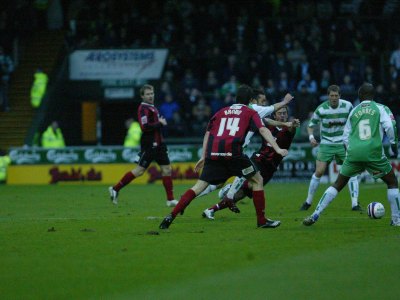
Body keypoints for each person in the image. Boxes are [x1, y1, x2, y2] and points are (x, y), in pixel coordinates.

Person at [159, 85, 289, 230]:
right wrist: (277, 148)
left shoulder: (221, 112)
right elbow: (263, 129)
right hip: (235, 155)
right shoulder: (250, 112)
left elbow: (208, 133)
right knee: (258, 180)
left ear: (236, 98)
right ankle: (262, 220)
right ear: (251, 100)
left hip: (214, 155)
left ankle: (171, 215)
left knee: (199, 187)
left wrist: (204, 156)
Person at [303, 83, 400, 226]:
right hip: (373, 152)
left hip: (353, 152)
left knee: (337, 184)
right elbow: (390, 126)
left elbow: (345, 136)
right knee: (392, 182)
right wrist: (393, 144)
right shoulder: (381, 108)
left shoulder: (354, 111)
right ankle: (396, 220)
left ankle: (315, 213)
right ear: (373, 96)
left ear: (360, 96)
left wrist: (351, 152)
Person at [202, 106, 300, 219]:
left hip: (271, 167)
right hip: (259, 159)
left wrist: (292, 124)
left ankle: (211, 209)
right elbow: (264, 119)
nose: (282, 115)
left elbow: (292, 128)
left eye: (284, 113)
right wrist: (284, 123)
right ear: (275, 115)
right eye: (280, 113)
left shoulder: (289, 129)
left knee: (242, 194)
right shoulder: (268, 125)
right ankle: (232, 189)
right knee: (247, 176)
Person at [196, 88, 294, 200]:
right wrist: (285, 102)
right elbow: (271, 110)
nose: (264, 103)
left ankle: (200, 195)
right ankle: (229, 196)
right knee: (252, 177)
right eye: (262, 100)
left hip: (230, 148)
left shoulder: (248, 110)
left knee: (222, 179)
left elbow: (267, 121)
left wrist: (285, 124)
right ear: (253, 100)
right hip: (235, 150)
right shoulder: (253, 109)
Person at [109, 84, 177, 207]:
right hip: (150, 145)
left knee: (167, 169)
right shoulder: (143, 109)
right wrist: (160, 123)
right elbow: (144, 127)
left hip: (160, 144)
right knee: (139, 171)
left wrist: (158, 124)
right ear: (142, 96)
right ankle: (115, 188)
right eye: (148, 94)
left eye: (152, 93)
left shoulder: (152, 107)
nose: (151, 96)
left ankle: (170, 199)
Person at [300, 85, 361, 211]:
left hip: (343, 143)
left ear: (340, 96)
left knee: (351, 171)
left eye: (336, 96)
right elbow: (311, 125)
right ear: (328, 96)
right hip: (326, 143)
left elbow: (356, 120)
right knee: (319, 171)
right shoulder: (322, 109)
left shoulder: (348, 106)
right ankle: (308, 201)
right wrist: (311, 137)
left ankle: (355, 204)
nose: (334, 98)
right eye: (331, 96)